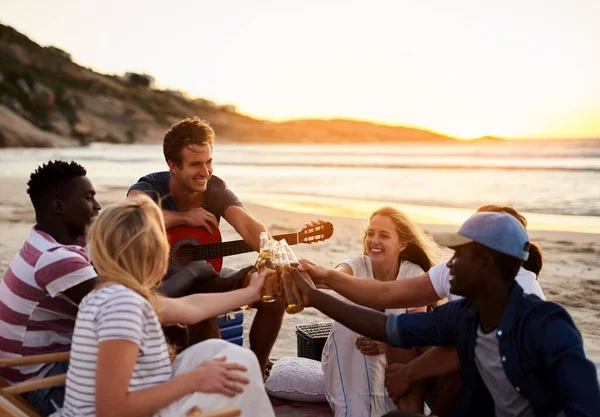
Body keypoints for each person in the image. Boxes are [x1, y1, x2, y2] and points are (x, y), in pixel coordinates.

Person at [290, 212, 600, 416]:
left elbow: (585, 404)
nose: (448, 265)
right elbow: (389, 326)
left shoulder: (548, 326)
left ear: (486, 265)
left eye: (459, 255)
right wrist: (316, 293)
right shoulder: (464, 315)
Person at [54, 195, 275, 417]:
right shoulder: (122, 306)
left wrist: (250, 293)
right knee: (241, 368)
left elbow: (191, 308)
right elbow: (111, 410)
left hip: (140, 398)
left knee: (220, 354)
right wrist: (193, 380)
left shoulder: (114, 294)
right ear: (153, 252)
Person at [127, 117, 284, 373]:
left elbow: (247, 225)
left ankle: (257, 369)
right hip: (161, 287)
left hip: (205, 277)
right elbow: (135, 214)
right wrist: (184, 217)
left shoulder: (215, 189)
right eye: (196, 164)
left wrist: (273, 254)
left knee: (272, 291)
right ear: (173, 166)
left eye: (209, 161)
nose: (205, 171)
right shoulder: (150, 186)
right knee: (202, 312)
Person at [0, 161, 101, 416]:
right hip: (38, 385)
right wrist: (190, 273)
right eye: (89, 198)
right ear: (58, 206)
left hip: (41, 367)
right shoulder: (55, 258)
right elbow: (134, 305)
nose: (98, 206)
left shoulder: (55, 240)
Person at [321, 207, 439, 416]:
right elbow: (333, 276)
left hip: (395, 361)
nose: (374, 240)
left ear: (402, 244)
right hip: (351, 359)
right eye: (370, 233)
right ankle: (351, 410)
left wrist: (387, 341)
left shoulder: (413, 273)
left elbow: (414, 330)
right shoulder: (357, 264)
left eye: (384, 235)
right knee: (348, 326)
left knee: (393, 322)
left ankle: (384, 408)